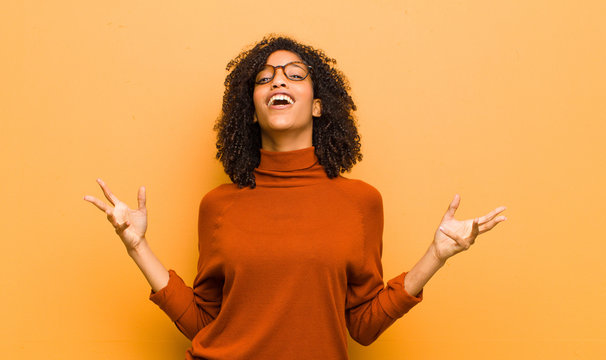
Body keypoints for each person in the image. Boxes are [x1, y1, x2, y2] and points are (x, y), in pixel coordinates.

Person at [84, 35, 507, 360]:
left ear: (319, 106)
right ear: (251, 110)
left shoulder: (360, 203)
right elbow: (203, 321)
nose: (278, 80)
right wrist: (137, 247)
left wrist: (435, 255)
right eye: (264, 78)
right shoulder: (218, 205)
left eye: (294, 73)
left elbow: (362, 325)